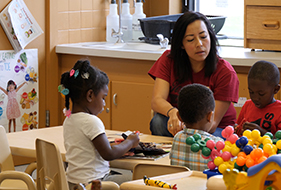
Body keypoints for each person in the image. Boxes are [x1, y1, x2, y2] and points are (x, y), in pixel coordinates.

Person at [148, 11, 239, 138]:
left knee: (207, 139)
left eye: (203, 37)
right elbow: (157, 100)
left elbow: (211, 124)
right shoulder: (168, 60)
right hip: (179, 120)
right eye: (191, 39)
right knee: (158, 121)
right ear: (181, 44)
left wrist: (185, 130)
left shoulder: (225, 72)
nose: (199, 44)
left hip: (215, 129)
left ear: (211, 37)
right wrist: (173, 112)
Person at [60, 60, 140, 189]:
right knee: (139, 180)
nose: (104, 103)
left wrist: (117, 145)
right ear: (90, 95)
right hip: (95, 182)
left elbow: (88, 148)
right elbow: (109, 154)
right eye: (103, 98)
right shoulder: (91, 121)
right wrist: (130, 141)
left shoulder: (69, 119)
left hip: (73, 183)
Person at [235, 60, 281, 138]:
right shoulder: (248, 105)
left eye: (261, 94)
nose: (255, 98)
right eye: (251, 92)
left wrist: (262, 133)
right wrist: (235, 130)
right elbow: (238, 133)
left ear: (276, 89)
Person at [170, 83, 224, 171]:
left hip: (179, 184)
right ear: (210, 116)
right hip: (204, 185)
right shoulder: (217, 143)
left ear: (179, 116)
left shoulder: (177, 137)